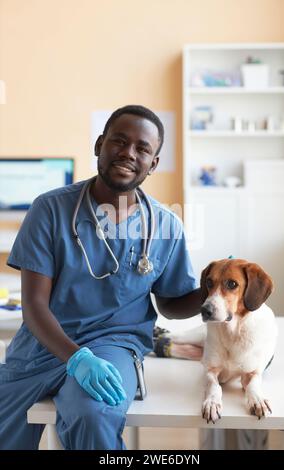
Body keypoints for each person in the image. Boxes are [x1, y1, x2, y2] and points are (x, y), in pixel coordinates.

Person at [0, 105, 203, 450]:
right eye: (119, 142)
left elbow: (171, 304)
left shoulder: (166, 225)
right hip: (42, 345)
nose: (128, 153)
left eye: (142, 148)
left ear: (153, 163)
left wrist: (214, 290)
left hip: (112, 346)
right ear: (99, 145)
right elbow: (34, 305)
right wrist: (75, 357)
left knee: (93, 415)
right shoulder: (49, 209)